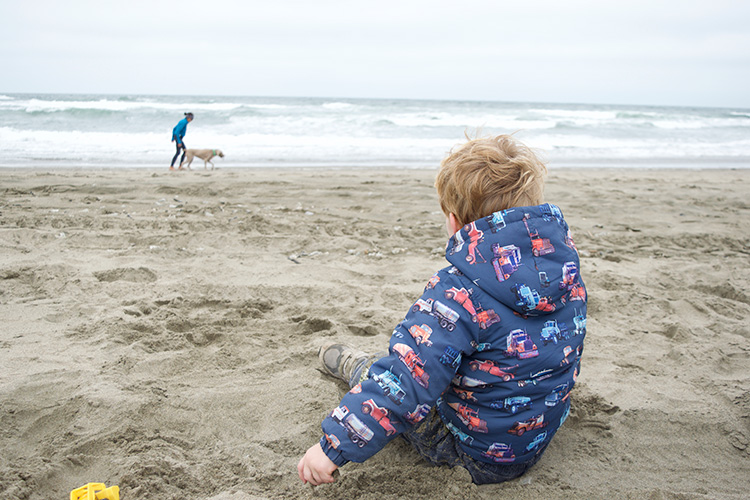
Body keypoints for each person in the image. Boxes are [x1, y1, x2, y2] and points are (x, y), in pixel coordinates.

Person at [297, 134, 587, 486]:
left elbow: (409, 380)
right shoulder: (566, 273)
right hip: (537, 437)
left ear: (453, 222)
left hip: (474, 454)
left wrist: (332, 447)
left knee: (392, 372)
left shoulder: (458, 289)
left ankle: (355, 366)